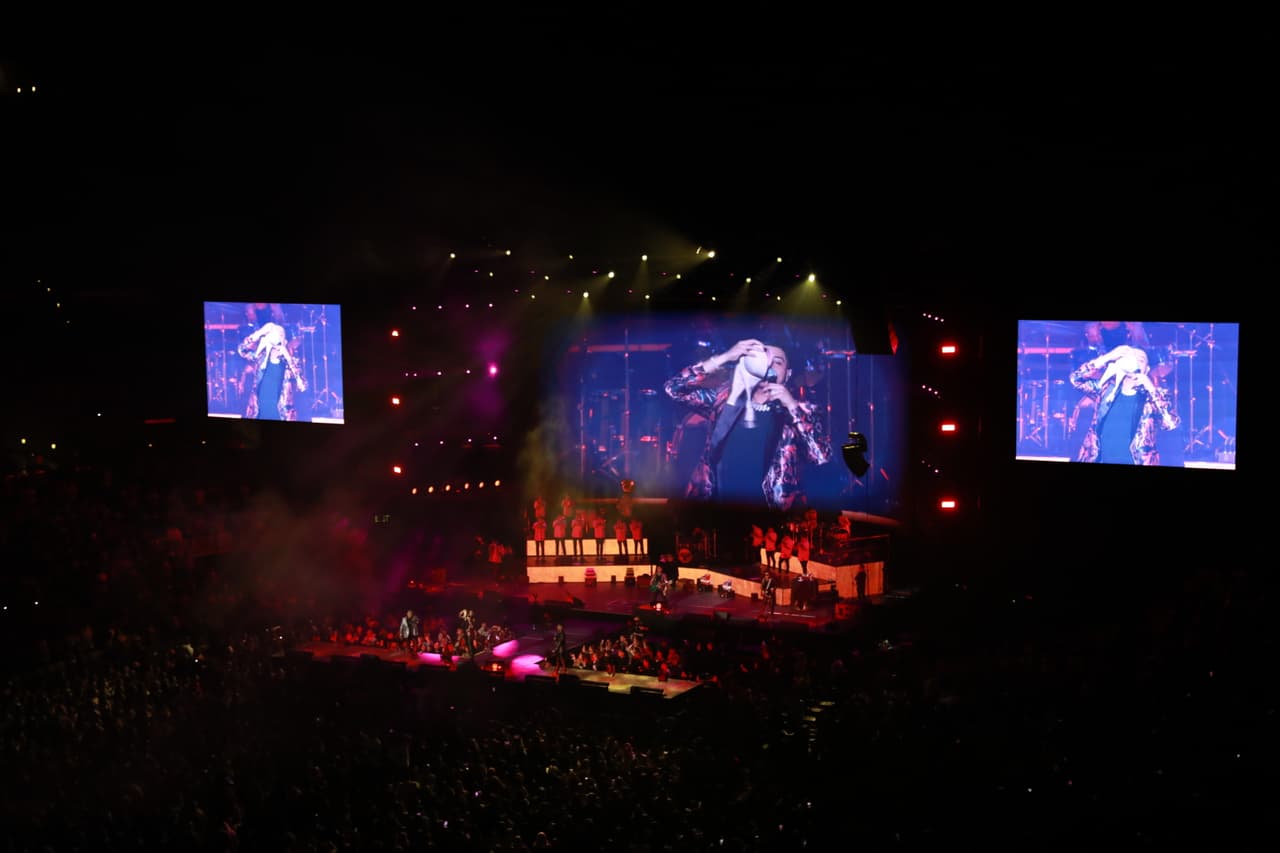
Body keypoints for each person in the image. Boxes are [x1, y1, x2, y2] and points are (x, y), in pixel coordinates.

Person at [664, 337, 832, 510]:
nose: (769, 366)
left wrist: (790, 405)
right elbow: (673, 388)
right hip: (717, 510)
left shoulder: (799, 411)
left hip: (770, 517)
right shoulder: (724, 400)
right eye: (764, 359)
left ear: (787, 374)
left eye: (778, 362)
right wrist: (725, 357)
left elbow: (820, 455)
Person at [1068, 344, 1180, 465]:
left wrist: (1150, 387)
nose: (1135, 361)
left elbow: (1171, 423)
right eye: (1130, 358)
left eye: (1140, 360)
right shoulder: (1105, 389)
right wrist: (1106, 358)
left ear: (1147, 369)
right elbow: (1076, 380)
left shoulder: (1152, 398)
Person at [237, 321, 306, 420]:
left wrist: (288, 357)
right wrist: (258, 334)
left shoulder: (290, 364)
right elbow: (242, 350)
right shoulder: (259, 358)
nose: (276, 344)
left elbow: (303, 386)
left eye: (280, 337)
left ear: (285, 342)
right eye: (272, 338)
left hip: (282, 417)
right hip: (258, 416)